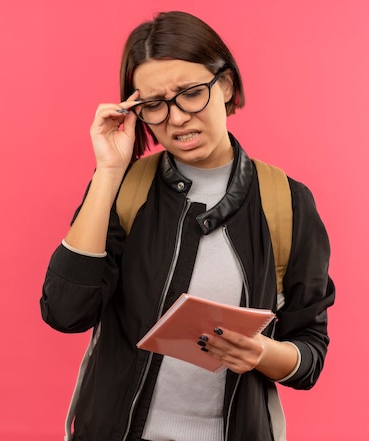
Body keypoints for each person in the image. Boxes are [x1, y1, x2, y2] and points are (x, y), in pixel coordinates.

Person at [41, 10, 335, 441]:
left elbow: (309, 352)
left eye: (191, 93)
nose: (176, 118)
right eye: (153, 104)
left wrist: (263, 353)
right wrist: (107, 171)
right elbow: (65, 313)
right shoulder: (124, 189)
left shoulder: (288, 203)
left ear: (227, 86)